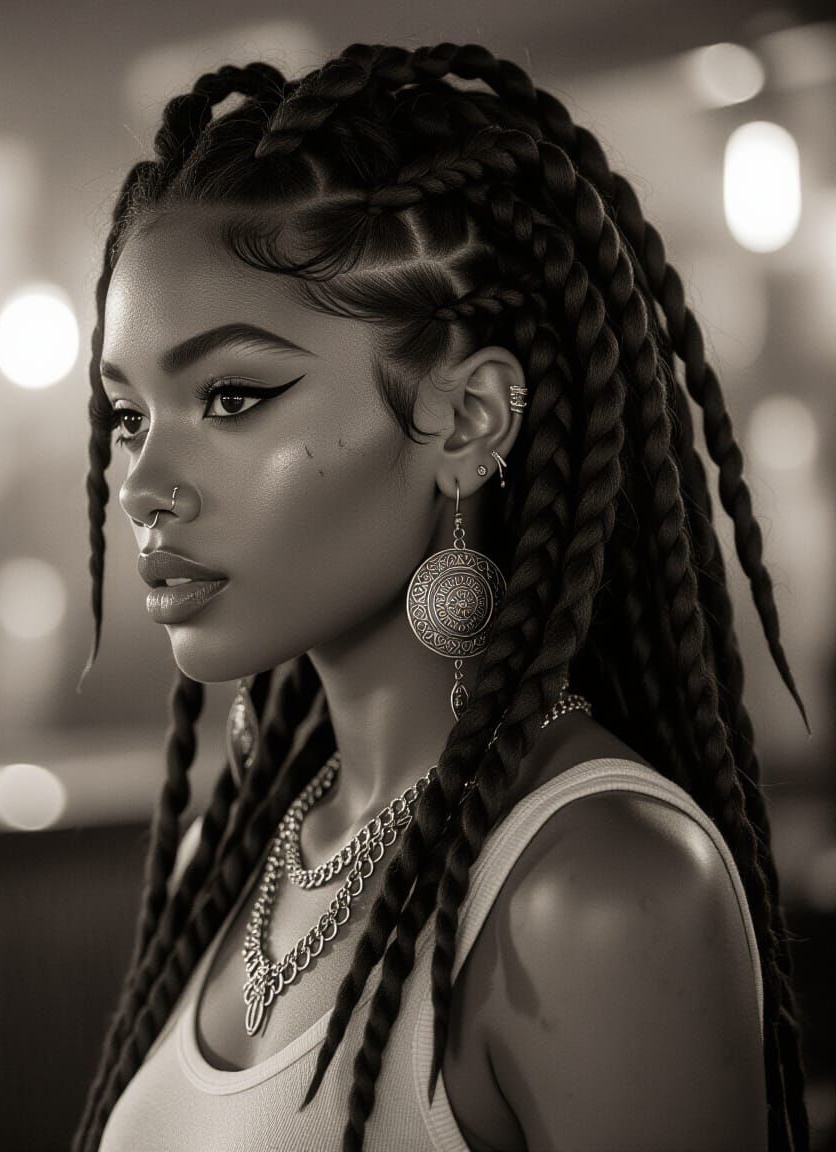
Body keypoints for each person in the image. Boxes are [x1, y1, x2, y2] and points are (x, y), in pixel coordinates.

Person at [72, 41, 811, 1152]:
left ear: (466, 422)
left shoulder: (601, 893)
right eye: (128, 415)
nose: (141, 485)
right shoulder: (233, 856)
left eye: (232, 396)